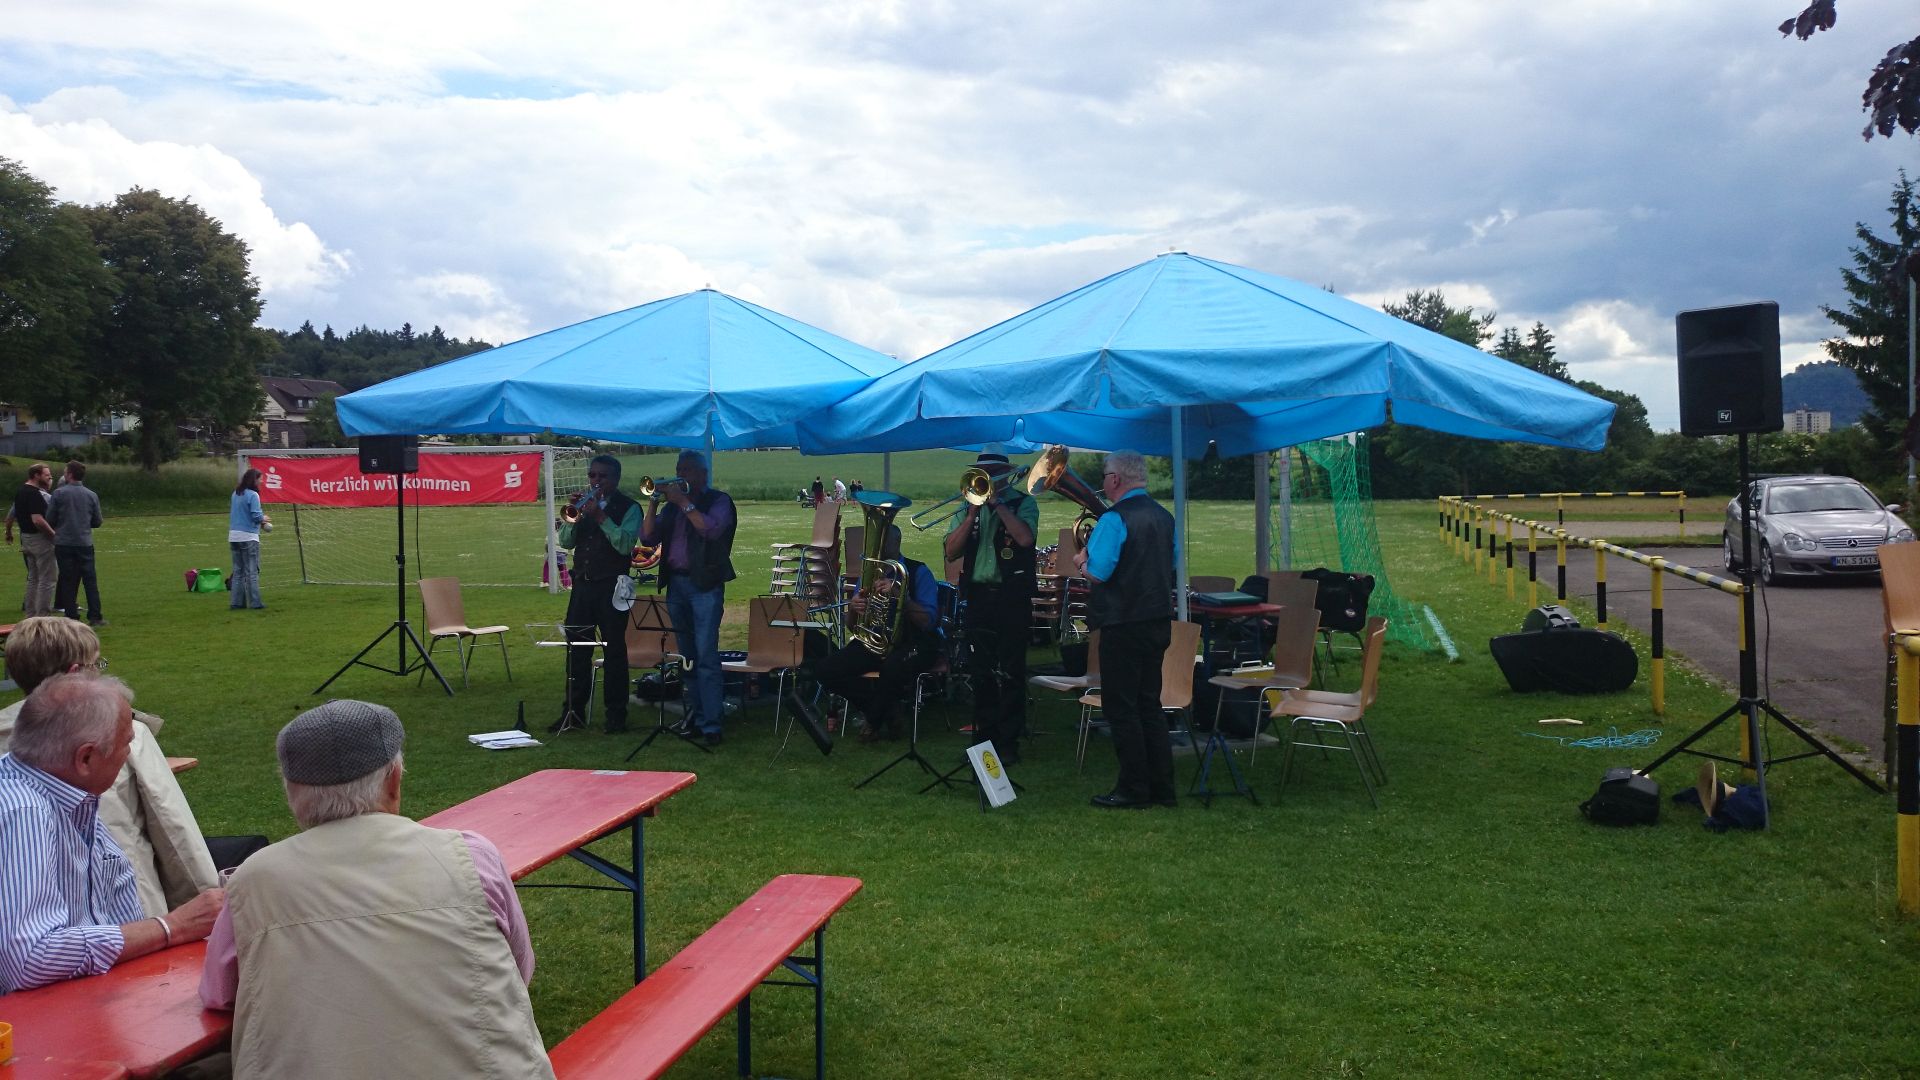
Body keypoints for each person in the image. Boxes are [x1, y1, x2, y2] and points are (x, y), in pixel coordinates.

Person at [199, 700, 552, 1079]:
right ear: (394, 780)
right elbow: (519, 970)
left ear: (292, 794)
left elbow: (220, 994)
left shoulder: (252, 880)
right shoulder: (471, 856)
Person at [0, 673, 226, 994]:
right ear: (86, 758)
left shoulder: (71, 793)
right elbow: (29, 957)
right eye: (126, 744)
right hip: (33, 1018)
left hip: (97, 999)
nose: (129, 753)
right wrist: (172, 926)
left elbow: (118, 915)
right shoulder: (23, 810)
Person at [0, 616, 222, 917]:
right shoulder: (122, 734)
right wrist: (205, 901)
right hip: (130, 908)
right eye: (97, 665)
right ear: (76, 674)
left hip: (24, 911)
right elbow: (172, 827)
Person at [1075, 450, 1177, 809]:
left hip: (1122, 622)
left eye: (1105, 475)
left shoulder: (1115, 518)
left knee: (1122, 708)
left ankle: (1133, 788)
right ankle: (1162, 788)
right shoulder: (1164, 516)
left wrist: (1081, 561)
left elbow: (1098, 573)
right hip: (1157, 620)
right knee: (1150, 704)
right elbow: (1171, 563)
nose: (1103, 482)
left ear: (1115, 479)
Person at [943, 448, 1039, 763]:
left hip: (1012, 596)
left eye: (992, 473)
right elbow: (951, 551)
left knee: (1011, 670)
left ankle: (1009, 742)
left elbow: (1025, 539)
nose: (986, 479)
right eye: (982, 473)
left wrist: (998, 504)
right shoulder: (966, 507)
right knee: (980, 670)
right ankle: (983, 741)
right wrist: (971, 515)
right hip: (979, 596)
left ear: (1004, 475)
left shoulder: (1023, 503)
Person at [641, 450, 737, 745]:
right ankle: (696, 717)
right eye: (678, 469)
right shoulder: (671, 507)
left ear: (702, 474)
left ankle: (712, 725)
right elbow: (647, 538)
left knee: (706, 656)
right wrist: (654, 501)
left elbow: (710, 530)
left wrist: (683, 502)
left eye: (687, 470)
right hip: (677, 585)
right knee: (688, 658)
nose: (680, 474)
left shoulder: (719, 501)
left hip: (705, 586)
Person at [809, 524, 940, 741]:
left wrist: (902, 597)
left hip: (913, 641)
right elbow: (854, 628)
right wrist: (853, 608)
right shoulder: (869, 575)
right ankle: (882, 711)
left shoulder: (918, 572)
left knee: (892, 668)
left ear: (896, 543)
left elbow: (928, 622)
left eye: (882, 542)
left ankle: (873, 721)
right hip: (876, 641)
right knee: (825, 669)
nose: (876, 548)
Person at [554, 454, 641, 734]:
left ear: (615, 479)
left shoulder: (630, 508)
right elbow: (566, 542)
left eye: (603, 476)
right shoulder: (582, 505)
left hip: (611, 587)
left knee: (614, 651)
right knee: (577, 650)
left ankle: (616, 715)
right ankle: (573, 712)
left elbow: (625, 545)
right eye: (592, 475)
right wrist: (574, 518)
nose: (596, 481)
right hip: (583, 585)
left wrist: (601, 517)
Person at [46, 459, 105, 627]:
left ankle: (71, 615)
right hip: (84, 543)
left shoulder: (59, 494)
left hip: (64, 543)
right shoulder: (91, 495)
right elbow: (97, 521)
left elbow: (50, 518)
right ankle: (95, 616)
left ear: (70, 474)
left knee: (67, 579)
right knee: (90, 580)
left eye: (65, 471)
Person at [5, 462, 56, 617]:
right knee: (47, 579)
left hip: (26, 539)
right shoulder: (34, 494)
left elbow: (11, 516)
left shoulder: (21, 491)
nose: (49, 478)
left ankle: (31, 615)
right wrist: (53, 535)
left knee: (33, 579)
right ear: (36, 475)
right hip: (40, 540)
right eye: (46, 475)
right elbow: (37, 520)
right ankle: (43, 616)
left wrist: (8, 532)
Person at [228, 468, 271, 610]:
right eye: (260, 479)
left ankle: (236, 603)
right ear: (254, 480)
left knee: (238, 571)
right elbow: (256, 516)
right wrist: (264, 518)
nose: (262, 481)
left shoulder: (236, 493)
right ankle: (255, 603)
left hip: (234, 537)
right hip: (248, 537)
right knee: (252, 571)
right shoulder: (253, 495)